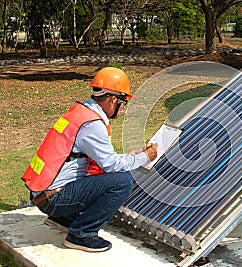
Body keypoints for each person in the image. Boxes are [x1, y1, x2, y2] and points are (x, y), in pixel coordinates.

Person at [21, 67, 158, 253]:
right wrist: (144, 158)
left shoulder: (80, 112)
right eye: (123, 101)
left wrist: (135, 156)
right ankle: (81, 233)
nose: (123, 107)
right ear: (113, 99)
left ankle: (65, 218)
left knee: (106, 178)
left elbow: (98, 159)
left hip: (43, 193)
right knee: (123, 181)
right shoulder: (92, 124)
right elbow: (110, 165)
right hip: (55, 198)